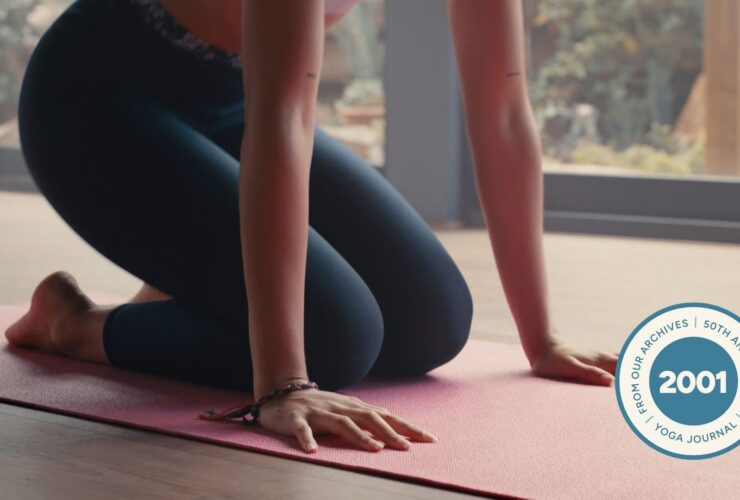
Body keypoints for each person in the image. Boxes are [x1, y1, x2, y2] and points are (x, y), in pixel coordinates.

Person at [6, 0, 619, 454]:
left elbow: (504, 114)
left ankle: (191, 282)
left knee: (433, 321)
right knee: (336, 339)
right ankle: (74, 325)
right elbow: (284, 120)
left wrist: (542, 341)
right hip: (97, 101)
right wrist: (283, 384)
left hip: (234, 104)